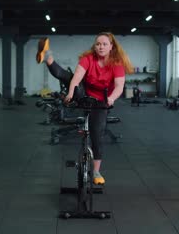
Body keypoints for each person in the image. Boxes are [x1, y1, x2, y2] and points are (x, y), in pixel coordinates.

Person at [36, 32, 134, 185]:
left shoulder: (116, 64)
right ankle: (47, 56)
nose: (100, 47)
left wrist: (112, 98)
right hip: (83, 93)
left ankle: (96, 172)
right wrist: (70, 93)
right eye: (98, 44)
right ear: (94, 46)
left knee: (97, 136)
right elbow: (77, 78)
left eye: (104, 44)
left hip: (102, 101)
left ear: (111, 47)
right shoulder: (88, 59)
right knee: (65, 76)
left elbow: (119, 86)